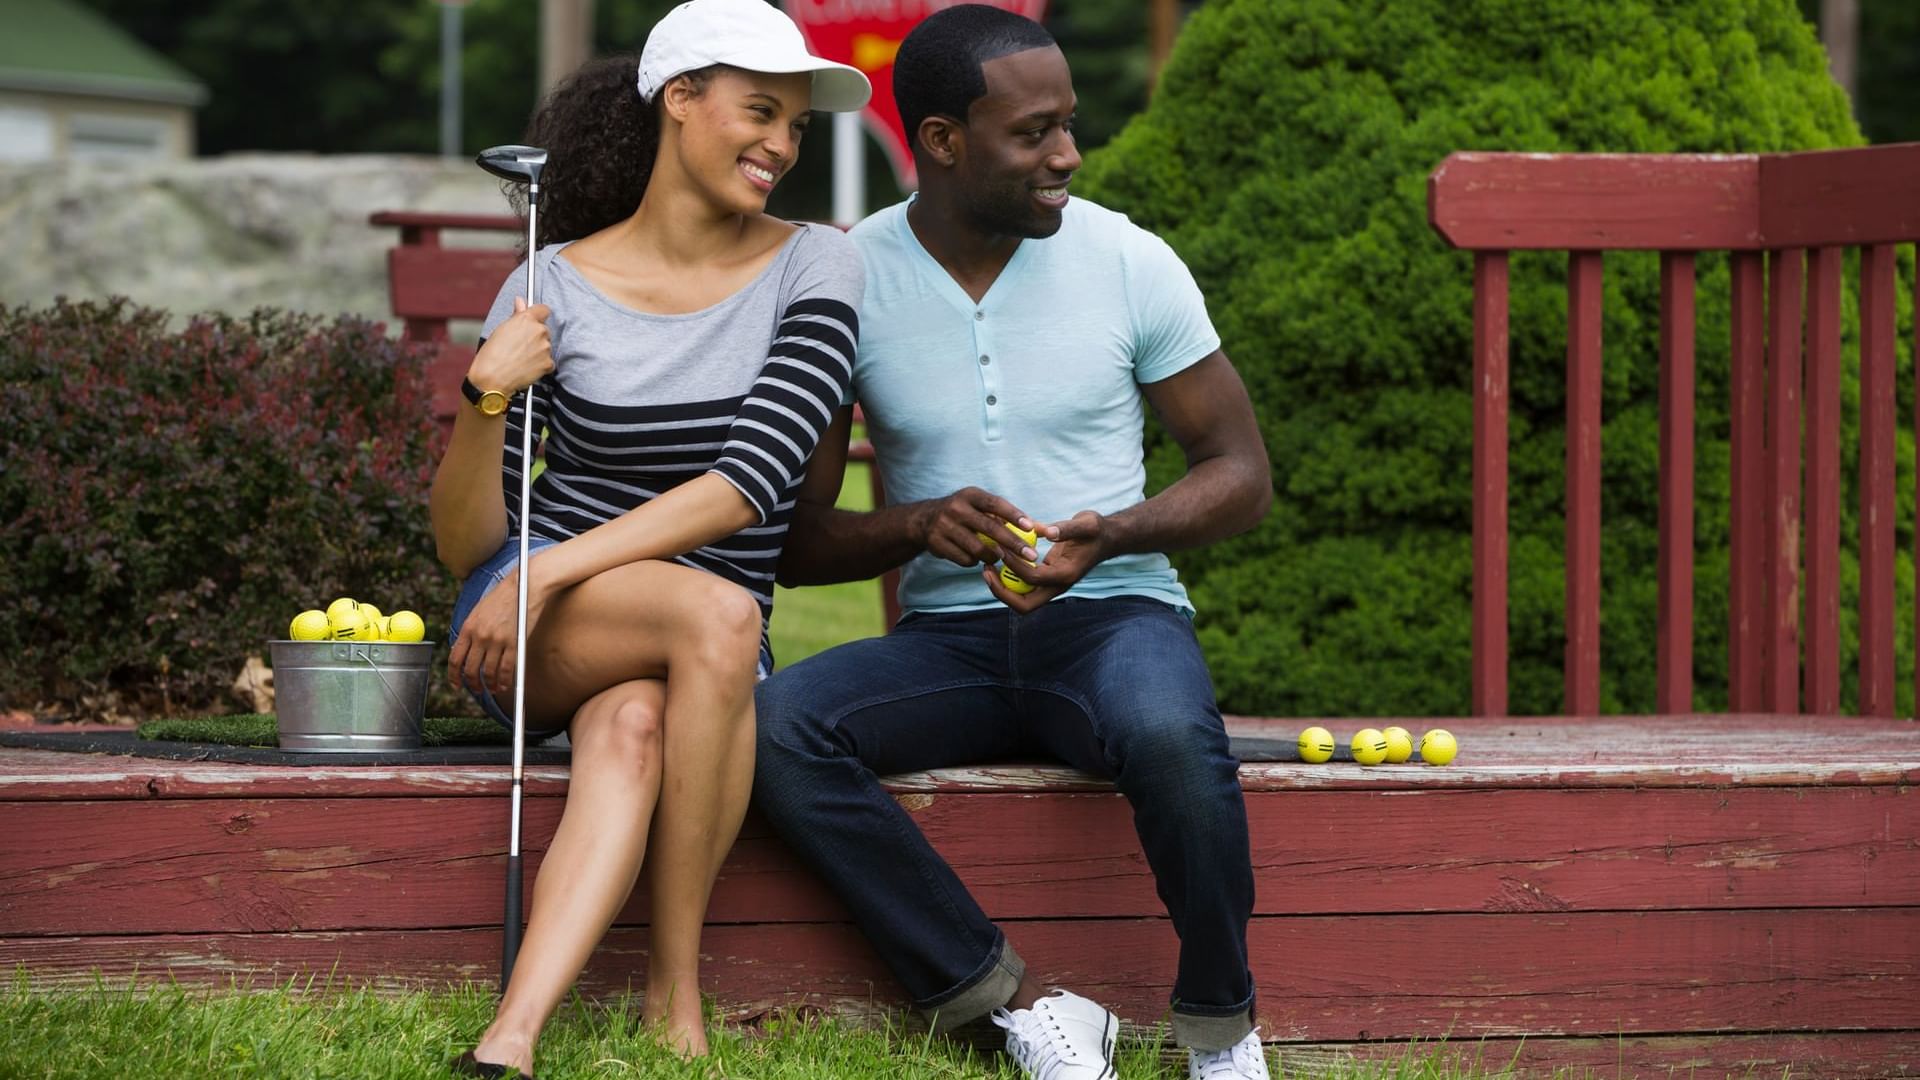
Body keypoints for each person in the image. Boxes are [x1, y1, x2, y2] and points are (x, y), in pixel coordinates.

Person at [752, 6, 1273, 1080]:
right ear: (944, 142)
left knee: (1174, 739)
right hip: (948, 644)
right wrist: (915, 526)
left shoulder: (1129, 260)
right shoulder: (848, 279)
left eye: (1068, 125)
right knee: (769, 730)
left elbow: (1240, 475)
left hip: (1116, 619)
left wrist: (1114, 531)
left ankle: (1222, 1031)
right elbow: (798, 544)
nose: (1067, 154)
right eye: (1034, 133)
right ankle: (1012, 1005)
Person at [428, 0, 869, 1074]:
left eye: (797, 127)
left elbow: (752, 482)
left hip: (628, 614)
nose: (781, 145)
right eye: (759, 111)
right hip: (538, 622)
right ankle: (676, 1005)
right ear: (680, 100)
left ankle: (513, 1038)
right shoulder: (549, 285)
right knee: (710, 617)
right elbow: (466, 545)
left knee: (634, 722)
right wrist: (485, 402)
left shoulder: (818, 264)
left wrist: (552, 569)